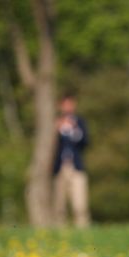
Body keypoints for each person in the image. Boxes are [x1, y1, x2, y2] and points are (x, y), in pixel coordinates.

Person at [52, 94, 90, 227]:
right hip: (60, 167)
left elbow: (86, 142)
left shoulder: (80, 122)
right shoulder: (55, 123)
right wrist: (56, 129)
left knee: (79, 205)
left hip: (76, 167)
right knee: (59, 205)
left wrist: (74, 129)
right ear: (60, 106)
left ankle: (82, 230)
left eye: (70, 103)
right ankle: (59, 232)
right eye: (65, 104)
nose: (67, 107)